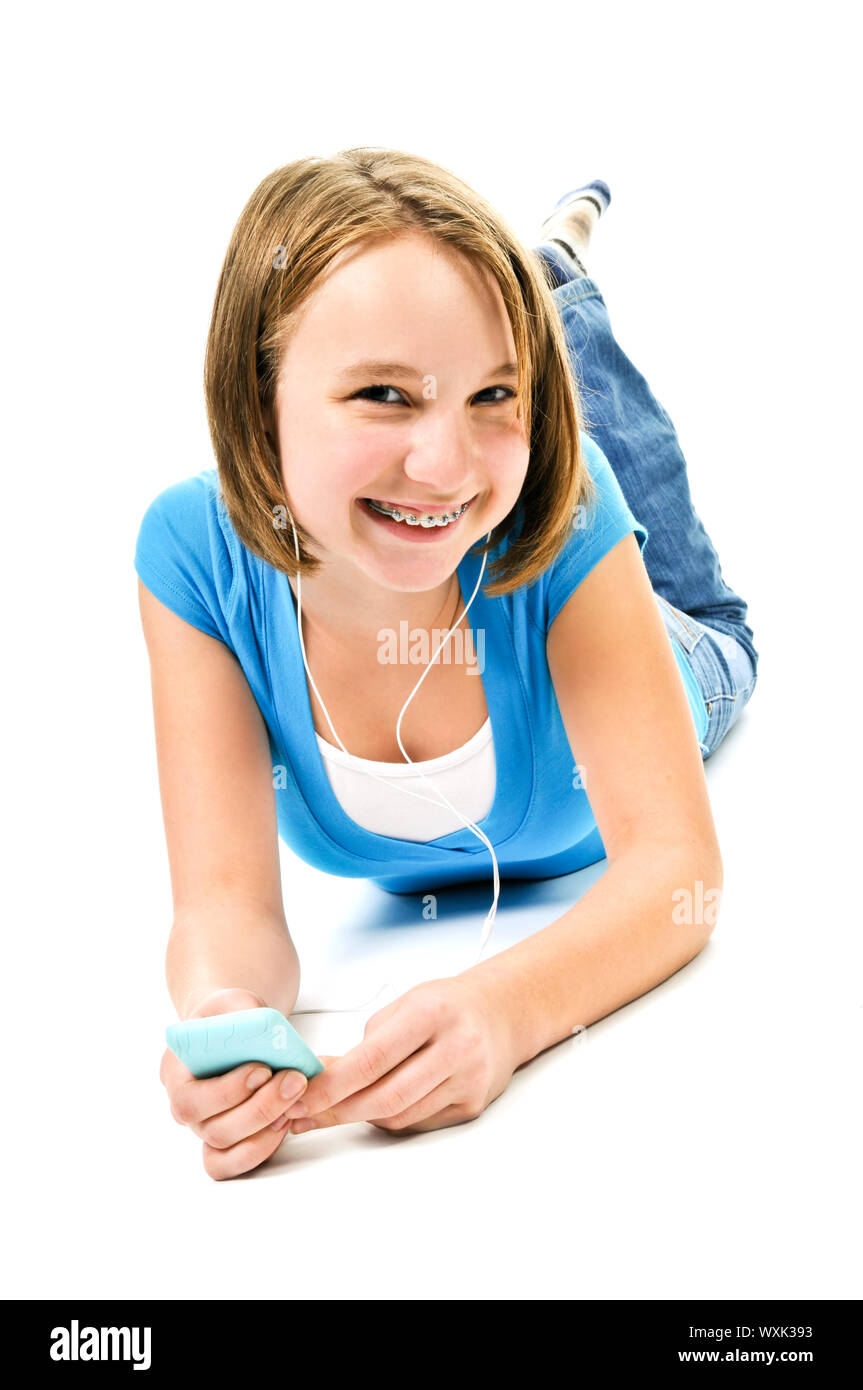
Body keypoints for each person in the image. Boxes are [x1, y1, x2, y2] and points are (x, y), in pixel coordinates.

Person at [135, 149, 758, 1179]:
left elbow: (674, 867)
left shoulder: (562, 512)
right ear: (259, 395)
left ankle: (556, 288)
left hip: (679, 645)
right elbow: (223, 907)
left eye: (489, 395)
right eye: (383, 393)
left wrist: (505, 1012)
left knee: (630, 502)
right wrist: (224, 1020)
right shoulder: (190, 557)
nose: (446, 464)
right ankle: (530, 308)